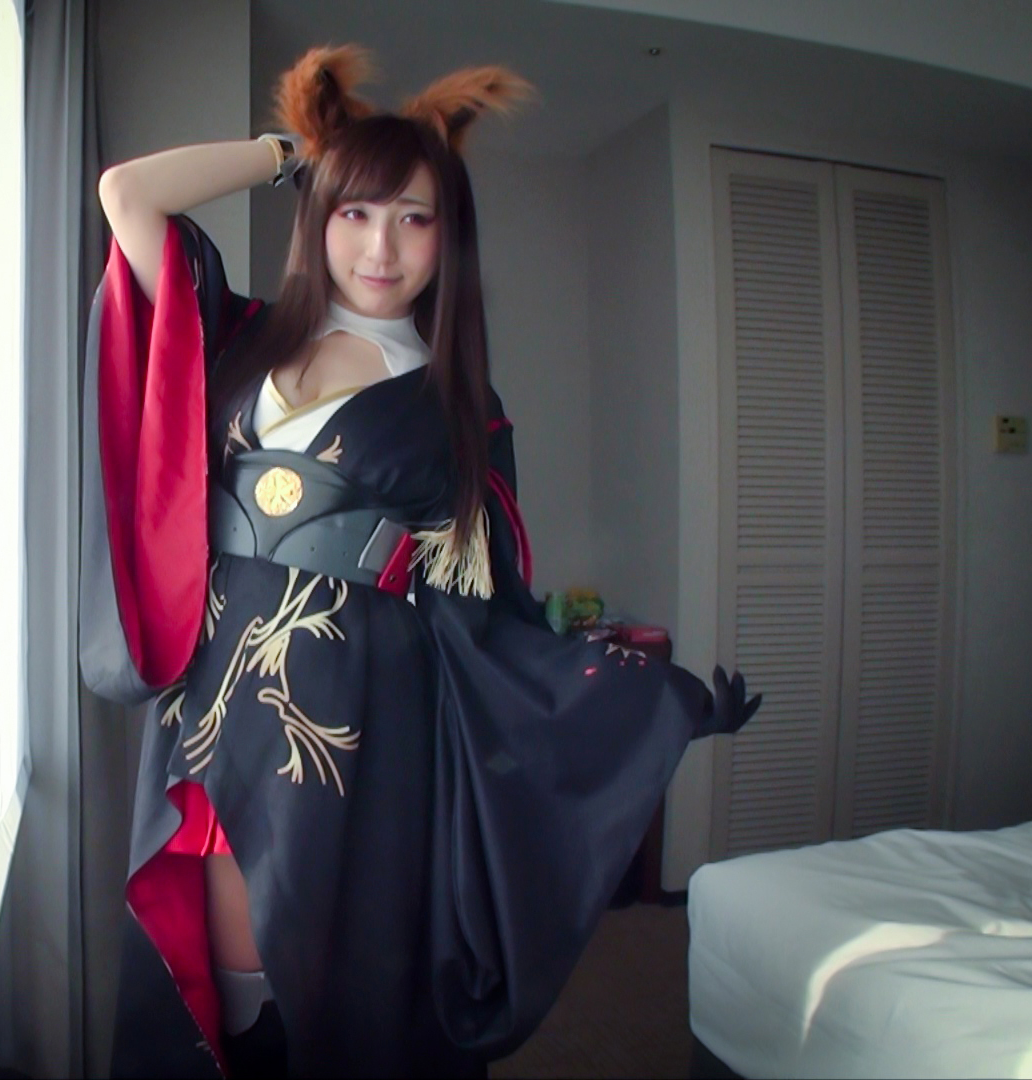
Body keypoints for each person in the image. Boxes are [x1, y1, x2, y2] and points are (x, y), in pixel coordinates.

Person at [80, 45, 759, 1079]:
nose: (381, 246)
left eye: (414, 217)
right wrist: (296, 152)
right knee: (210, 976)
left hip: (354, 713)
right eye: (356, 210)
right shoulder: (242, 336)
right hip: (213, 693)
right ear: (320, 211)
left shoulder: (461, 407)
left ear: (450, 236)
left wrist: (641, 702)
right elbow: (128, 194)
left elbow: (496, 611)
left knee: (320, 981)